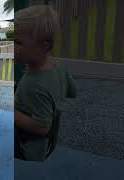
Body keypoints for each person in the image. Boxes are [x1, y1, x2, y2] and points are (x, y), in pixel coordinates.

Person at [15, 5, 77, 161]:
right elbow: (72, 91)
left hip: (28, 146)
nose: (12, 47)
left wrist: (14, 116)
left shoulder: (33, 85)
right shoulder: (59, 67)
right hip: (51, 139)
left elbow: (42, 127)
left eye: (18, 42)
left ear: (44, 45)